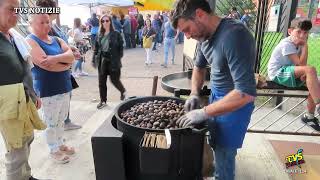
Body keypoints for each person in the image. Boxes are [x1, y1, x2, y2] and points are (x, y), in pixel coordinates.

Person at [172, 0, 256, 180]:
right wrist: (195, 92)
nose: (186, 36)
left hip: (235, 105)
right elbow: (198, 67)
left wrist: (204, 111)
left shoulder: (235, 36)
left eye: (187, 29)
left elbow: (245, 93)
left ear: (200, 15)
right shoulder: (203, 37)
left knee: (224, 155)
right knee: (215, 145)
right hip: (216, 96)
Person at [0, 0, 47, 179]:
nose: (16, 13)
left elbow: (25, 66)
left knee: (28, 140)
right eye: (11, 9)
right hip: (8, 103)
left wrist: (33, 93)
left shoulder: (13, 36)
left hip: (24, 98)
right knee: (16, 151)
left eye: (18, 9)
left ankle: (25, 176)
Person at [27, 13, 76, 164]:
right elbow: (44, 64)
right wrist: (66, 64)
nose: (46, 25)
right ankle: (53, 149)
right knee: (51, 121)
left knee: (61, 119)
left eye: (47, 22)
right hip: (48, 88)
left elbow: (71, 56)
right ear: (32, 24)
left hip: (64, 85)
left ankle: (60, 143)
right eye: (41, 22)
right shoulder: (30, 40)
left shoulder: (56, 39)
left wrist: (55, 59)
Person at [36, 0, 82, 131]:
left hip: (64, 67)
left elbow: (62, 43)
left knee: (66, 97)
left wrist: (71, 49)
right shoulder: (44, 27)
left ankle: (64, 122)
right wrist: (67, 55)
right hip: (54, 71)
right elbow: (50, 48)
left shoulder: (54, 25)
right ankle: (59, 129)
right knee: (54, 105)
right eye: (56, 7)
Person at [267, 18, 320, 128]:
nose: (302, 35)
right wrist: (305, 46)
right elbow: (302, 66)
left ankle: (309, 117)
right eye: (298, 31)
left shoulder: (300, 44)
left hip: (291, 70)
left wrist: (304, 73)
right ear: (290, 31)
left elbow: (301, 66)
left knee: (316, 82)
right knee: (310, 70)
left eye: (305, 33)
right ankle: (319, 105)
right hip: (278, 72)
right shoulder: (287, 44)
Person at [92, 15, 127, 109]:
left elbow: (121, 48)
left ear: (110, 22)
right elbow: (96, 49)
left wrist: (118, 57)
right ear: (101, 23)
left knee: (114, 80)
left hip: (113, 61)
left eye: (107, 21)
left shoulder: (116, 34)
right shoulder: (99, 34)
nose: (105, 23)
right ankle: (103, 101)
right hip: (102, 60)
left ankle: (123, 91)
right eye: (103, 21)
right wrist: (94, 60)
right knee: (101, 82)